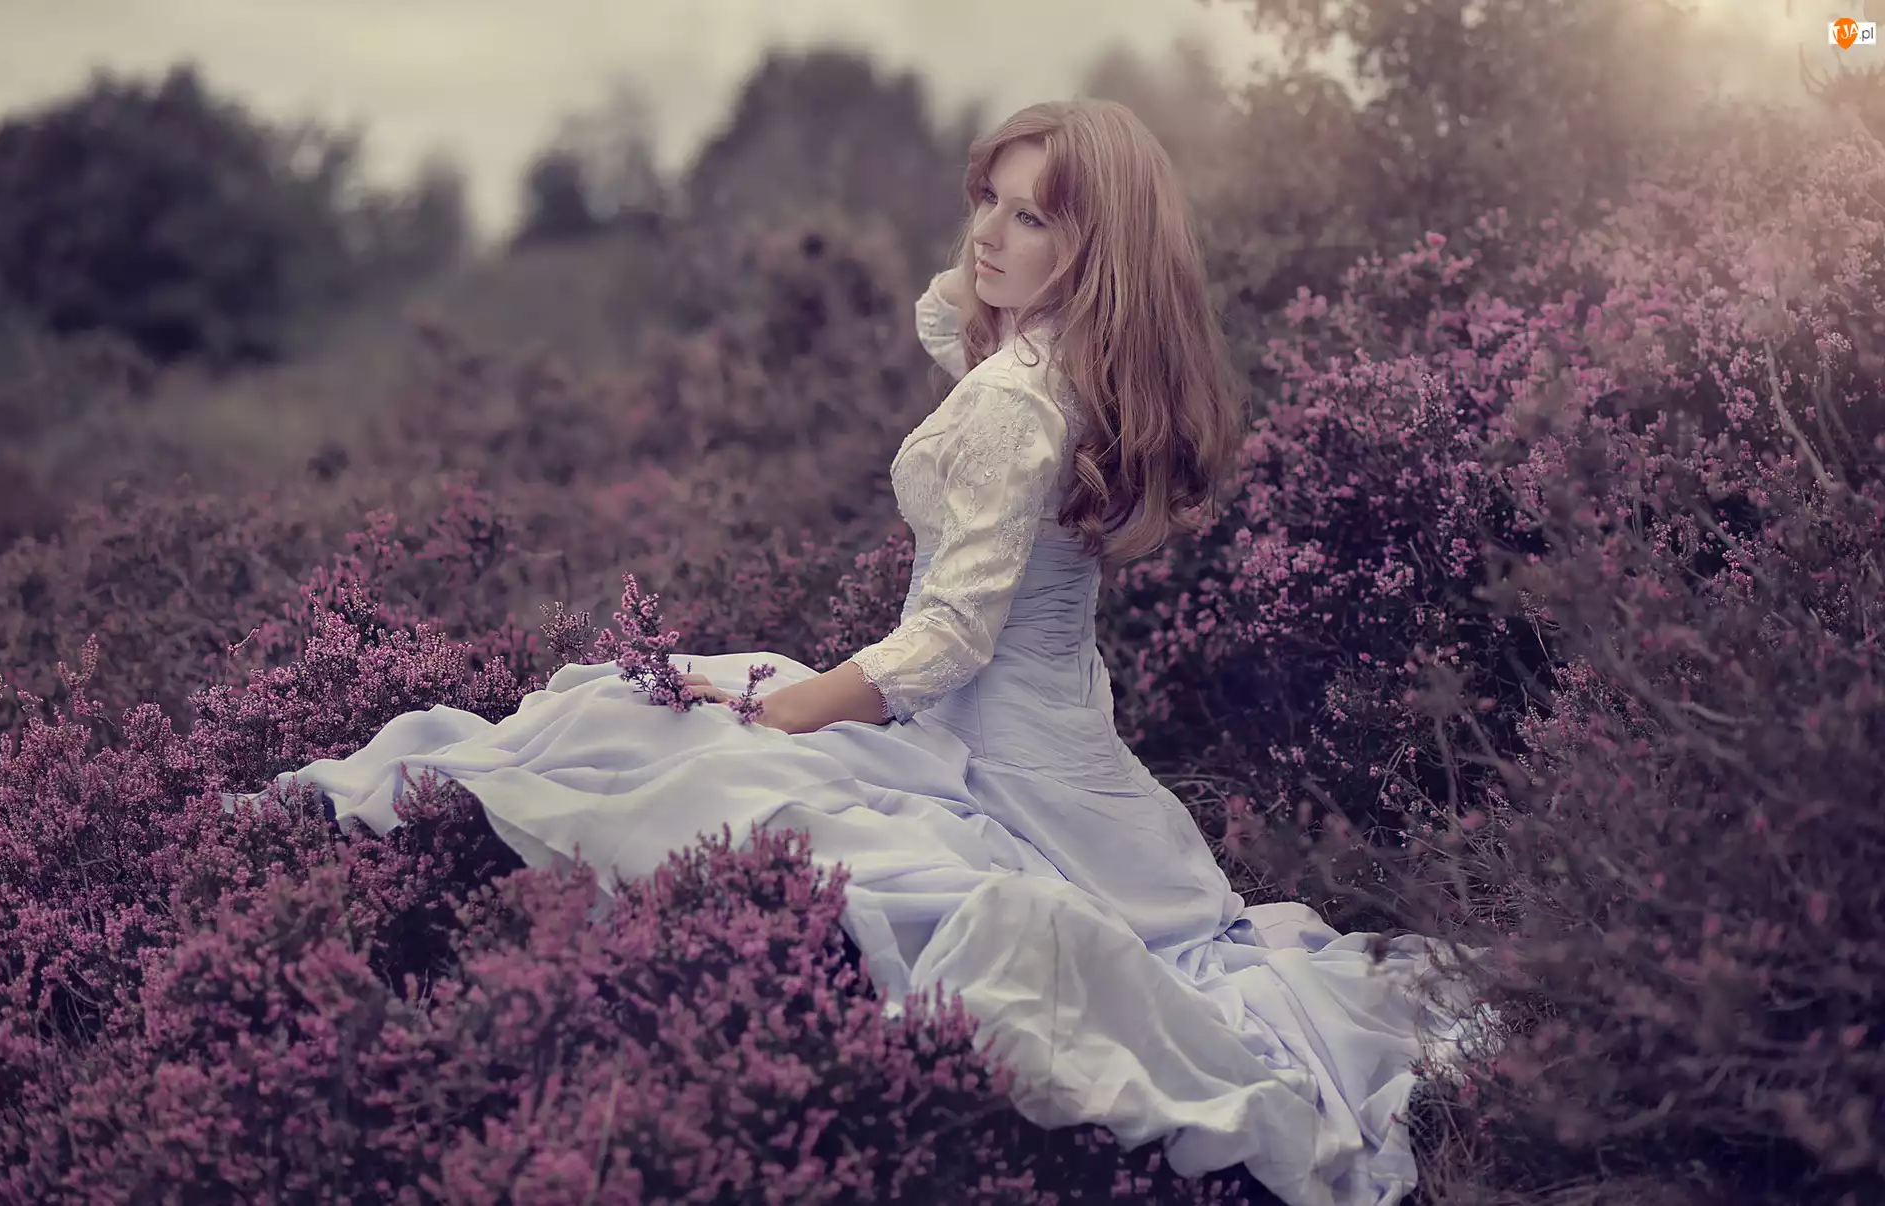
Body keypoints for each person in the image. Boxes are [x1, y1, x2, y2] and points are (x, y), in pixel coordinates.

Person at [228, 99, 1491, 1206]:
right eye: (986, 200)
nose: (988, 237)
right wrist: (1023, 246)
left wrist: (785, 713)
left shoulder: (1018, 398)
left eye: (1033, 219)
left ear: (1094, 252)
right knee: (658, 725)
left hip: (1001, 749)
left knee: (674, 741)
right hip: (1054, 734)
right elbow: (955, 319)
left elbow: (949, 639)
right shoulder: (1079, 367)